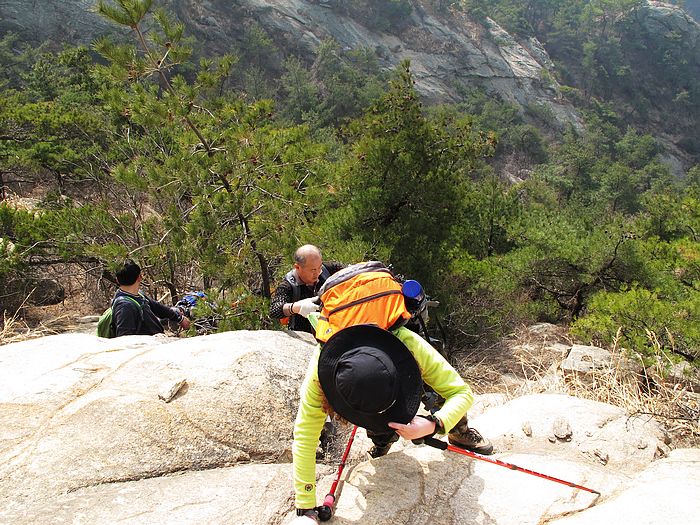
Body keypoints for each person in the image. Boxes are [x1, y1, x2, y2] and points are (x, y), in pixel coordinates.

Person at [290, 312, 492, 523]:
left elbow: (461, 392)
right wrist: (305, 507)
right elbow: (305, 437)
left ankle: (460, 432)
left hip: (400, 356)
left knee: (440, 393)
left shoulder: (408, 342)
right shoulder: (320, 375)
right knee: (378, 415)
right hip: (367, 363)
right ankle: (382, 441)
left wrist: (435, 424)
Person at [269, 245, 344, 334]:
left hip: (331, 329)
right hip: (304, 335)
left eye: (319, 267)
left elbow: (352, 271)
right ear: (297, 267)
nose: (317, 273)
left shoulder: (327, 270)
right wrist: (296, 307)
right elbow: (274, 310)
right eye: (313, 270)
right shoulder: (288, 286)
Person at [112, 259, 191, 336]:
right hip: (149, 346)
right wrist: (152, 339)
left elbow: (158, 309)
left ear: (117, 280)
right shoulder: (125, 307)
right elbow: (124, 339)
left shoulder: (139, 295)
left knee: (175, 310)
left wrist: (179, 318)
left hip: (156, 341)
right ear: (139, 277)